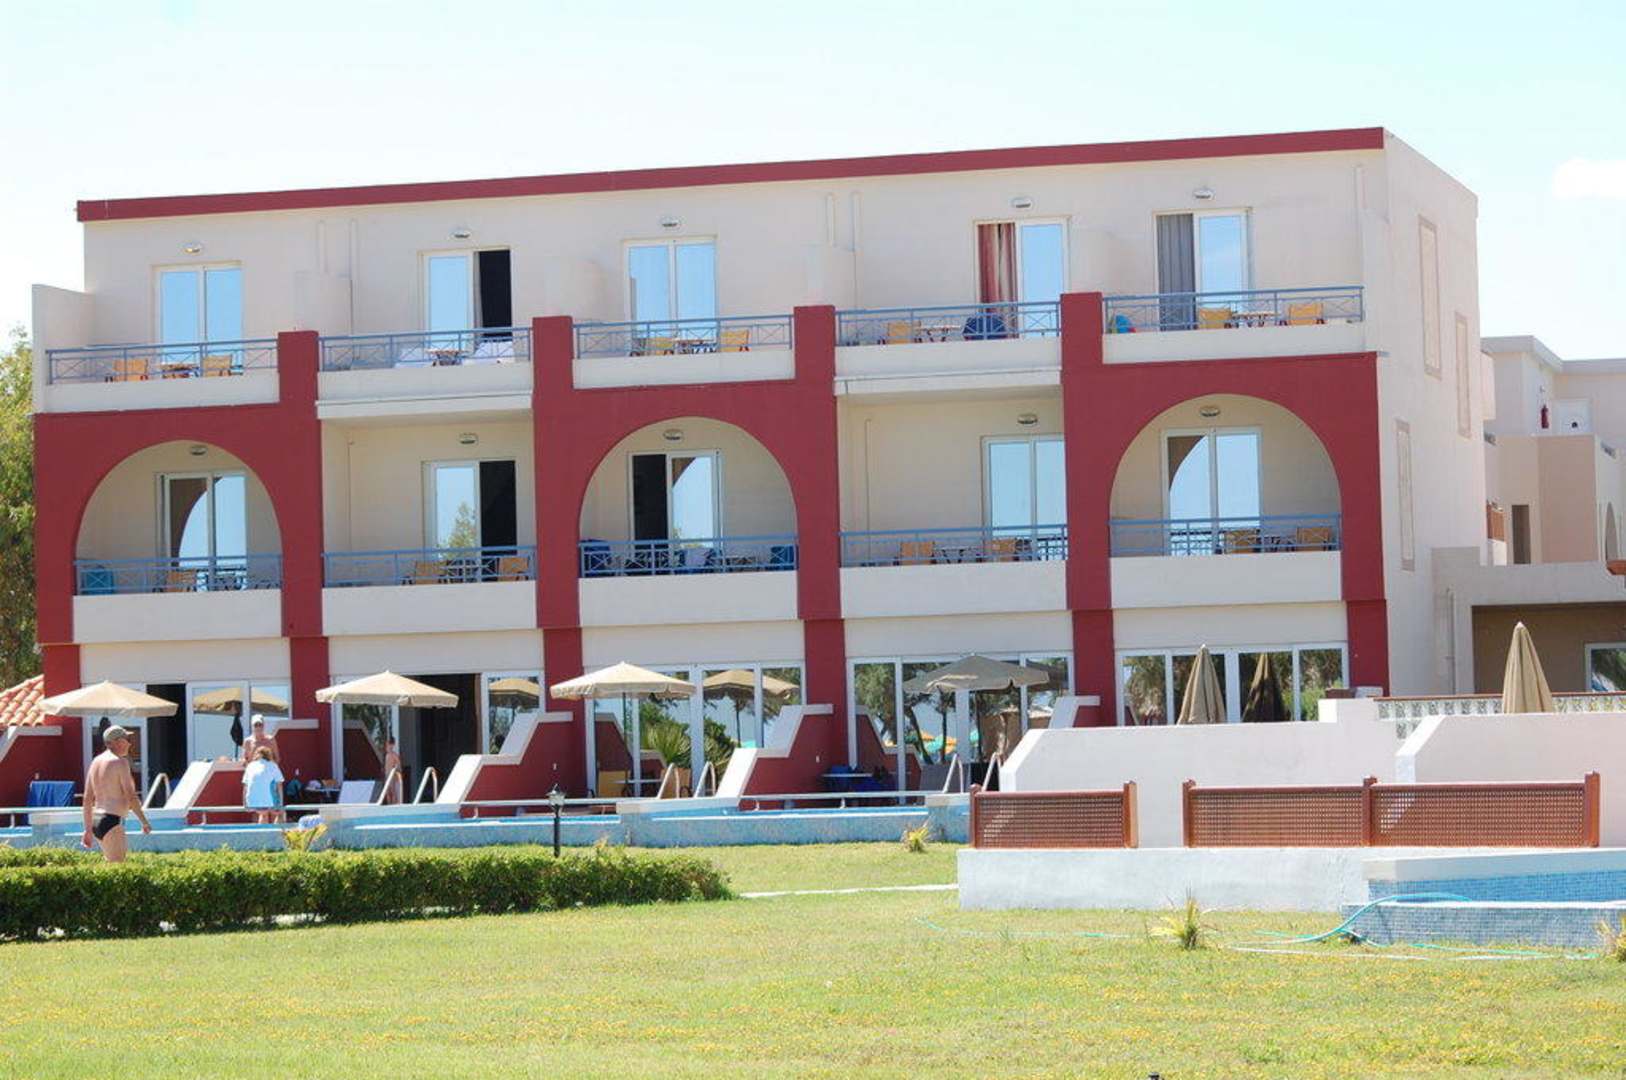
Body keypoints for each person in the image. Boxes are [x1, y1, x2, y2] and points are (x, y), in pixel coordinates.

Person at [81, 725, 152, 862]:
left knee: (112, 866)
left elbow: (87, 798)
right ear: (118, 742)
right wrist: (144, 822)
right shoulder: (120, 762)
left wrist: (88, 829)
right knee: (118, 868)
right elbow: (131, 796)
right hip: (112, 821)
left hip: (97, 820)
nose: (129, 744)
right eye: (127, 740)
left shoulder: (96, 761)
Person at [240, 716, 284, 821]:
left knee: (275, 811)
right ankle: (260, 831)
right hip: (255, 779)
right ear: (252, 726)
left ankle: (274, 830)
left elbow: (277, 758)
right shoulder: (248, 741)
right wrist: (253, 769)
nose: (258, 727)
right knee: (259, 812)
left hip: (271, 779)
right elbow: (244, 760)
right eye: (256, 725)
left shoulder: (270, 740)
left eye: (260, 724)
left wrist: (269, 770)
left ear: (264, 726)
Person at [242, 747, 285, 825]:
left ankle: (262, 831)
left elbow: (245, 786)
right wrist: (280, 803)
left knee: (263, 814)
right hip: (268, 802)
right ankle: (276, 831)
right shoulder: (273, 765)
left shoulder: (250, 766)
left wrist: (245, 803)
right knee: (281, 813)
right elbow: (280, 785)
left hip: (252, 802)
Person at [381, 738, 403, 805]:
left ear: (392, 745)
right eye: (386, 745)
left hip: (392, 776)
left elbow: (399, 766)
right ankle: (389, 805)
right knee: (387, 792)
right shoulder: (386, 755)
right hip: (387, 776)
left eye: (388, 745)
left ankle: (393, 805)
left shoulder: (394, 755)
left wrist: (396, 772)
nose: (387, 746)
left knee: (393, 791)